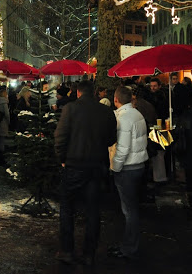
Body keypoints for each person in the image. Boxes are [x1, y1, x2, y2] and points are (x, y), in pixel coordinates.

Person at [54, 80, 117, 265]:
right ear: (95, 93)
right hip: (96, 165)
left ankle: (67, 250)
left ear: (78, 93)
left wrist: (62, 159)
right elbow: (112, 137)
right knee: (93, 210)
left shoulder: (70, 109)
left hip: (74, 164)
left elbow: (60, 136)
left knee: (67, 207)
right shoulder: (105, 111)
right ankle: (89, 253)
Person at [109, 86, 149, 260]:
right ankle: (128, 243)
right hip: (138, 165)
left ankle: (129, 247)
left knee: (129, 211)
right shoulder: (137, 114)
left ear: (116, 99)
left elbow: (123, 149)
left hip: (127, 168)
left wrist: (115, 167)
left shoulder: (124, 119)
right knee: (131, 208)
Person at [0, 89, 10, 165]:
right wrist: (9, 122)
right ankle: (1, 157)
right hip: (3, 123)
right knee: (2, 140)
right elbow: (7, 115)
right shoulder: (4, 103)